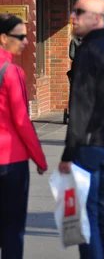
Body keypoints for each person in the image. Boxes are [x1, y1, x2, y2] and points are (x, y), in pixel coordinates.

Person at [58, 0, 104, 259]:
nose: (73, 17)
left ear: (96, 17)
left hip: (90, 147)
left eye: (79, 12)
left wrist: (69, 153)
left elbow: (81, 106)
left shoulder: (88, 51)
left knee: (87, 218)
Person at [0, 13, 48, 259]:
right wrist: (39, 158)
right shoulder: (12, 71)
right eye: (19, 36)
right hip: (10, 160)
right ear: (3, 38)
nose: (25, 41)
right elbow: (21, 120)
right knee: (11, 227)